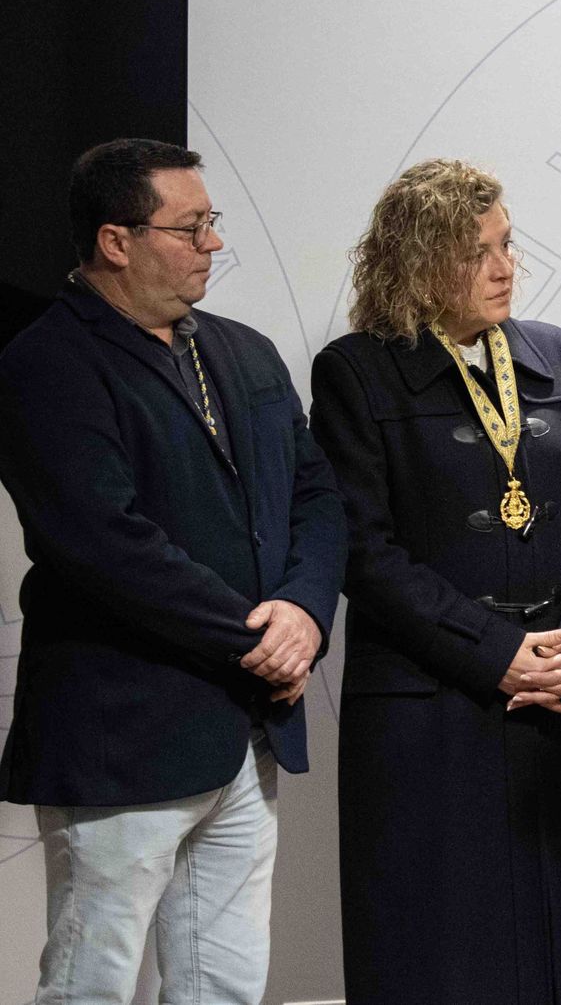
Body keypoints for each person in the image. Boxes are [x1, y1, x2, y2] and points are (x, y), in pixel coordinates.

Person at [0, 138, 347, 1003]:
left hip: (247, 730)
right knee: (94, 979)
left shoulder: (246, 352)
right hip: (123, 733)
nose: (213, 244)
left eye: (212, 223)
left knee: (226, 981)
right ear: (117, 241)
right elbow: (103, 543)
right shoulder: (44, 364)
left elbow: (317, 497)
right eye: (191, 227)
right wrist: (257, 639)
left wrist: (303, 614)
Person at [309, 158, 561, 1004]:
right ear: (416, 265)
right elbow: (363, 553)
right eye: (474, 252)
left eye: (507, 243)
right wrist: (498, 652)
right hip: (430, 703)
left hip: (557, 693)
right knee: (441, 956)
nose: (504, 266)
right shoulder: (356, 370)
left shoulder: (555, 354)